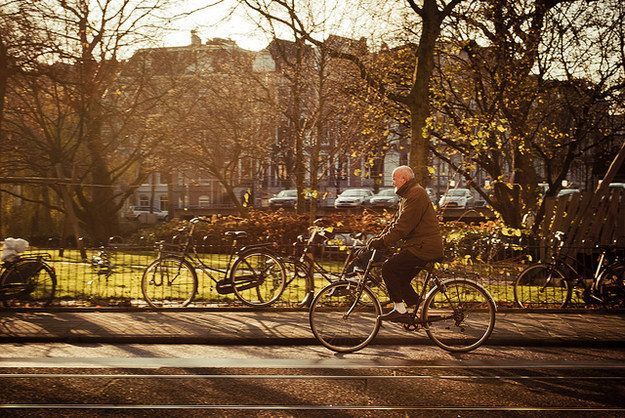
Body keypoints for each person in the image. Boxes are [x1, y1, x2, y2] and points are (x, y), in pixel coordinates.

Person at [367, 166, 444, 322]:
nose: (393, 181)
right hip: (420, 245)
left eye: (395, 178)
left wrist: (382, 242)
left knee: (389, 268)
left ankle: (400, 309)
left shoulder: (415, 194)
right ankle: (419, 309)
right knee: (400, 279)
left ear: (404, 179)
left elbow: (403, 226)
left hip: (424, 247)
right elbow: (396, 223)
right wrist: (380, 238)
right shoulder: (409, 195)